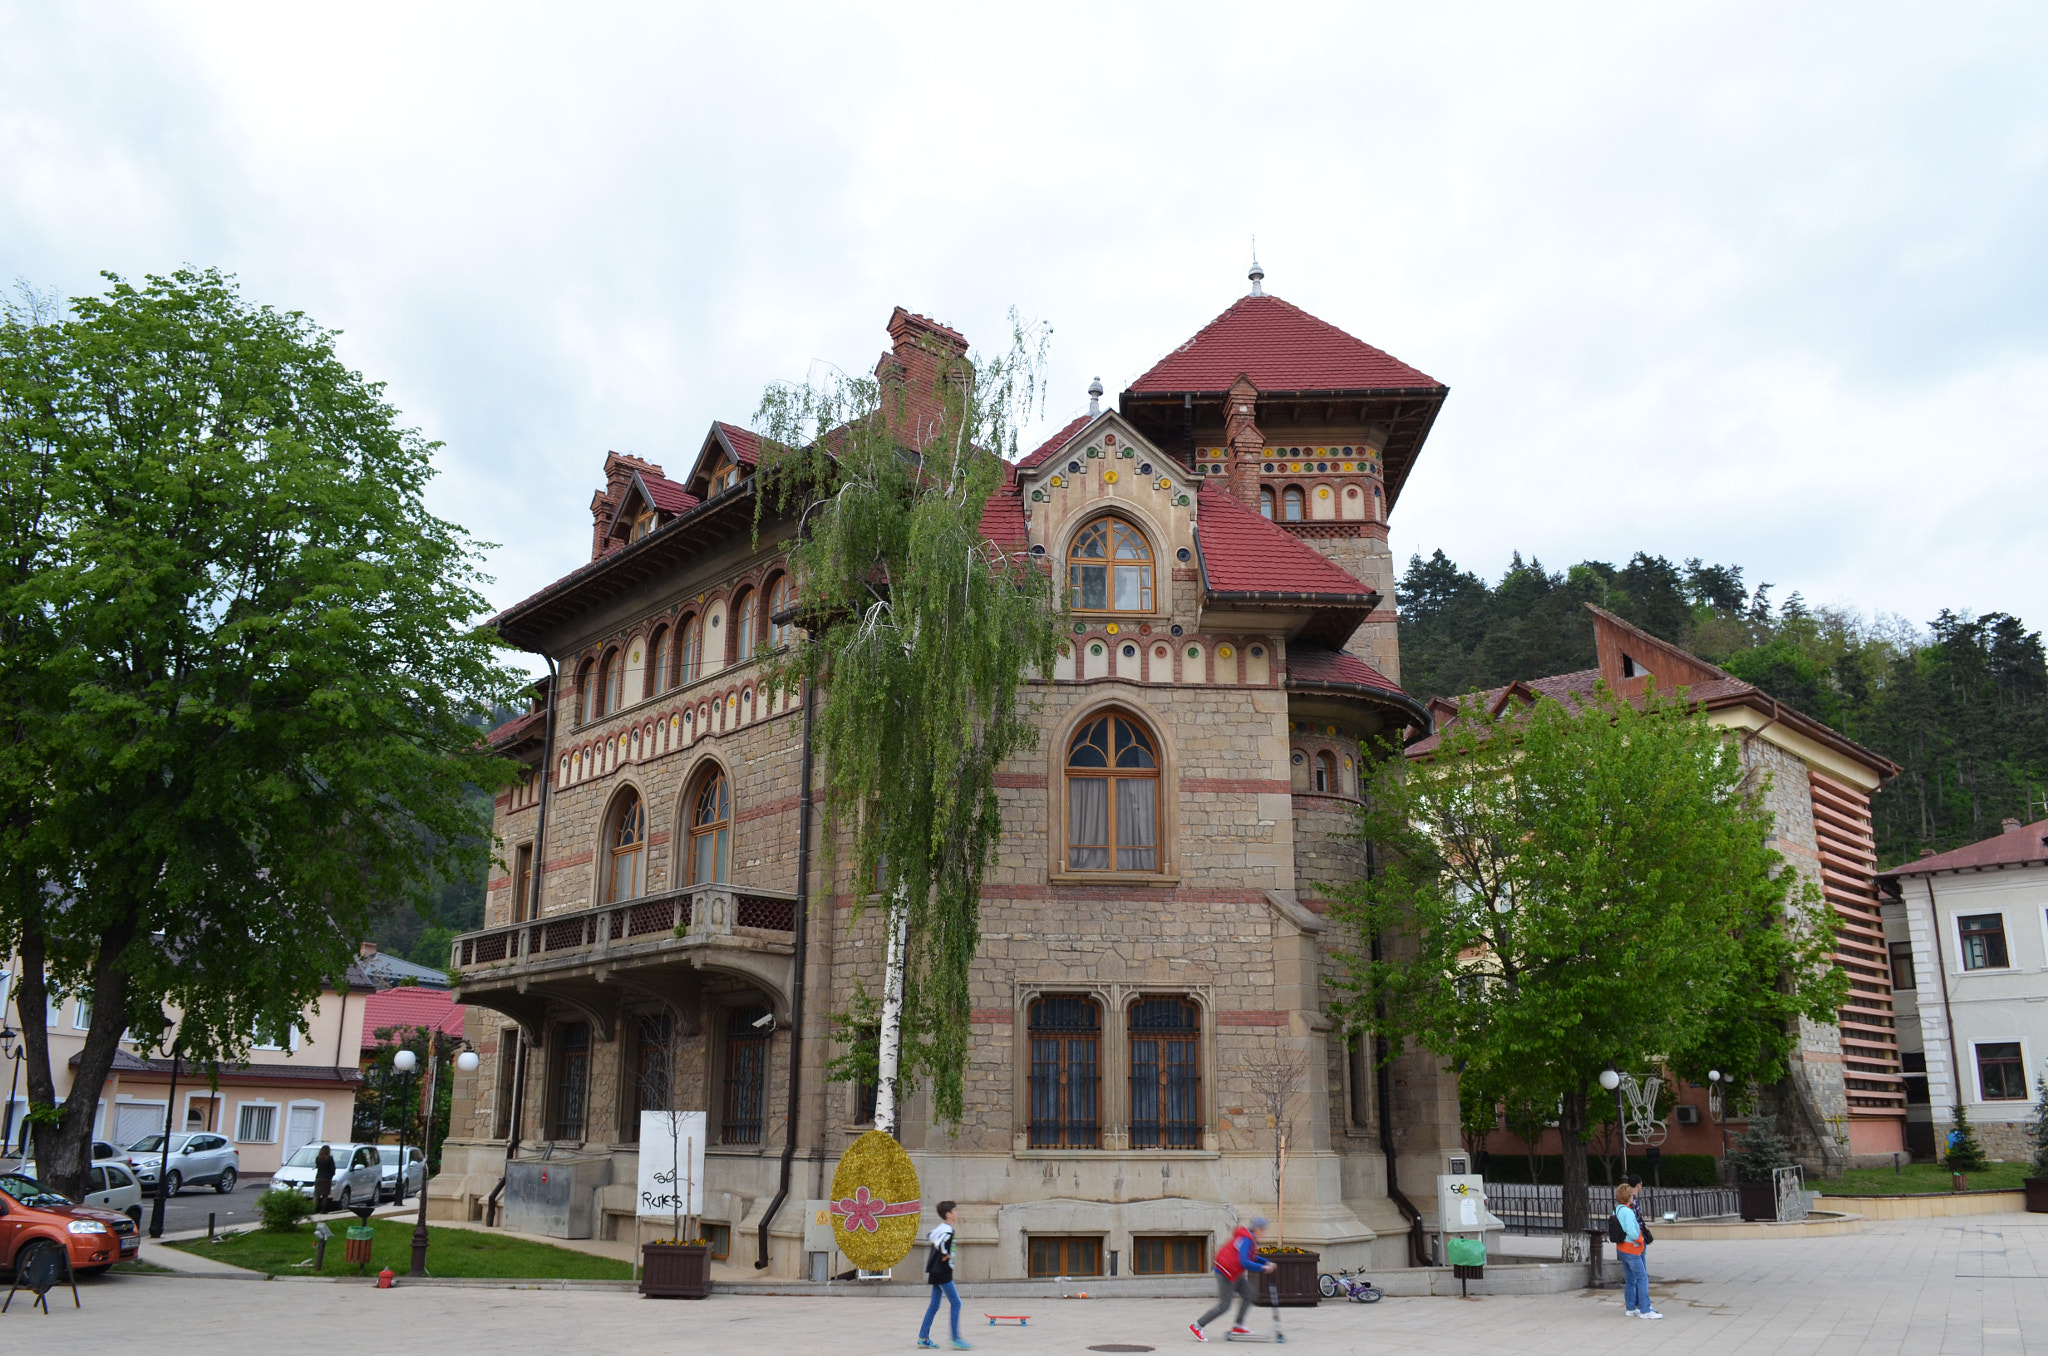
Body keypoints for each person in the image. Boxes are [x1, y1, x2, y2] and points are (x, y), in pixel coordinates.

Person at [1191, 1215, 1276, 1342]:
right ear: (1257, 1229)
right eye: (1263, 1230)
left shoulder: (1249, 1239)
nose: (1263, 1233)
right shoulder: (1247, 1239)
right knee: (1224, 1305)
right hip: (1225, 1272)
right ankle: (1197, 1326)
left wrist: (1266, 1262)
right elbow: (1244, 1262)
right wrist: (1263, 1268)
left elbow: (1252, 1257)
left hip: (1233, 1272)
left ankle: (1238, 1326)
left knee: (1250, 1293)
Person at [917, 1200, 971, 1350]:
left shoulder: (941, 1228)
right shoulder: (947, 1230)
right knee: (956, 1302)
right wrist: (945, 1254)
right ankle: (956, 1338)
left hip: (936, 1271)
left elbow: (930, 1235)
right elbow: (940, 1243)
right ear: (948, 1215)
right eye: (955, 1211)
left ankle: (923, 1337)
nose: (957, 1213)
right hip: (942, 1272)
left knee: (934, 1304)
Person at [1614, 1182, 1660, 1319]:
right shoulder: (1628, 1212)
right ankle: (1645, 1310)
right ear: (1628, 1196)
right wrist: (1640, 1239)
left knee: (1630, 1279)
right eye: (1631, 1195)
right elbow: (1632, 1233)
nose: (1633, 1197)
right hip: (1632, 1249)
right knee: (1642, 1278)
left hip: (1622, 1248)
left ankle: (1631, 1307)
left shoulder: (1618, 1209)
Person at [313, 1144, 336, 1213]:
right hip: (327, 1178)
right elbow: (332, 1169)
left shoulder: (318, 1158)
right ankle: (323, 1210)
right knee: (325, 1195)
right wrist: (331, 1175)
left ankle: (313, 1209)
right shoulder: (330, 1158)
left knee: (317, 1195)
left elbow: (317, 1166)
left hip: (319, 1177)